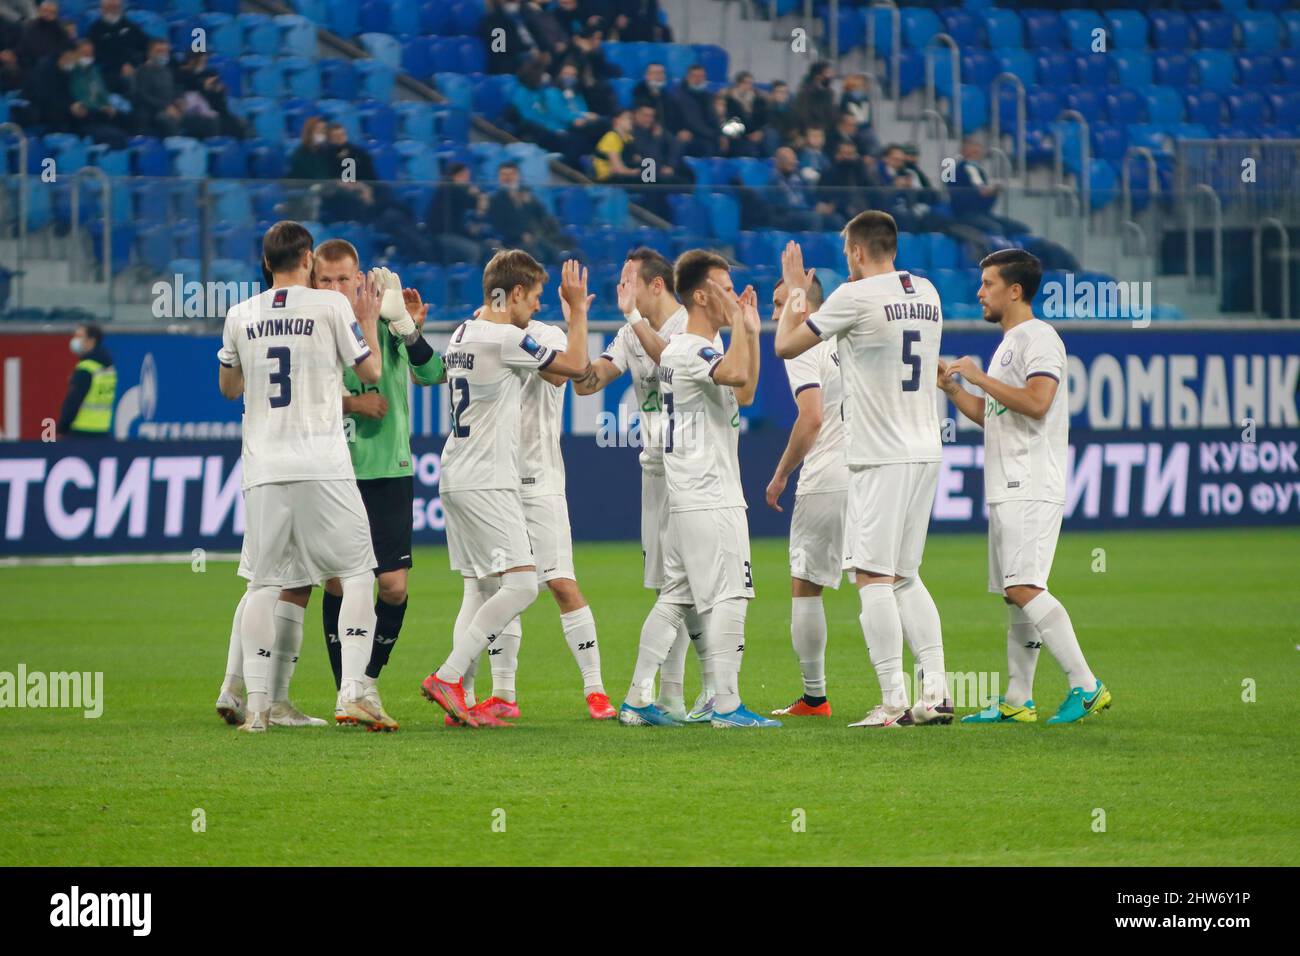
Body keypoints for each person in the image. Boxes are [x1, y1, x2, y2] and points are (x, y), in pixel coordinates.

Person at [775, 211, 953, 728]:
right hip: (926, 449)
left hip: (879, 453)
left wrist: (793, 292)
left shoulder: (853, 297)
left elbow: (786, 344)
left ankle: (894, 701)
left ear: (854, 251)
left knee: (872, 576)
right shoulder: (928, 291)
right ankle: (936, 692)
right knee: (905, 575)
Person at [216, 221, 387, 732]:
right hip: (322, 463)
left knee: (264, 584)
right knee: (356, 571)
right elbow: (370, 372)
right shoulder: (331, 306)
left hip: (265, 467)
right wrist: (370, 323)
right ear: (309, 259)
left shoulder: (239, 314)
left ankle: (258, 709)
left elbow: (228, 388)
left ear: (266, 263)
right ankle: (354, 691)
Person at [419, 253, 595, 728]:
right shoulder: (506, 337)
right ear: (514, 293)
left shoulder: (462, 333)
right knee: (521, 585)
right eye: (534, 298)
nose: (536, 308)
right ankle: (450, 677)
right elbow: (577, 367)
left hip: (454, 472)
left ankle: (462, 695)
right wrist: (577, 311)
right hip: (488, 479)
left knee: (478, 590)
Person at [940, 249, 1111, 725]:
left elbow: (1037, 402)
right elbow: (993, 416)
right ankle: (1018, 698)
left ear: (1014, 290)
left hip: (1032, 480)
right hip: (1008, 481)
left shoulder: (1040, 338)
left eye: (988, 283)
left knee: (1024, 585)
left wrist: (978, 376)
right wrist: (956, 391)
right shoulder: (1010, 342)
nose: (979, 292)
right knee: (1014, 590)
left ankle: (1086, 684)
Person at [619, 250, 773, 728]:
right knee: (732, 594)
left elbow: (744, 393)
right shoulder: (693, 348)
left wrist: (749, 330)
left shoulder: (692, 349)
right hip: (711, 493)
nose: (735, 294)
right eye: (727, 288)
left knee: (676, 596)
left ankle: (636, 699)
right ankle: (725, 705)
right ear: (702, 295)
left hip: (687, 494)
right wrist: (748, 328)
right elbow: (735, 375)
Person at [458, 275, 616, 724]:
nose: (538, 302)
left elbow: (567, 369)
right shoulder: (483, 332)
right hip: (498, 481)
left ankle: (596, 690)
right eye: (533, 295)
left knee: (561, 584)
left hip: (540, 479)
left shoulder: (546, 336)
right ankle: (502, 692)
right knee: (497, 589)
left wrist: (578, 317)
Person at [572, 249, 710, 721]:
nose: (621, 288)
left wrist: (631, 317)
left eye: (629, 279)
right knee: (670, 588)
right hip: (656, 473)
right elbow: (589, 383)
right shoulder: (629, 332)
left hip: (693, 470)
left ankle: (676, 692)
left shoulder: (692, 325)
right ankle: (671, 696)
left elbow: (668, 359)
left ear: (656, 285)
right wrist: (576, 322)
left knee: (688, 583)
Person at [316, 244, 445, 729]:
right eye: (325, 281)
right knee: (338, 582)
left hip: (388, 470)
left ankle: (367, 679)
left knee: (391, 587)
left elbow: (433, 374)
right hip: (336, 470)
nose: (335, 289)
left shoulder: (385, 320)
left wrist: (409, 330)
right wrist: (352, 403)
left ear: (359, 279)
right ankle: (345, 690)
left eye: (343, 280)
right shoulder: (315, 328)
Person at [764, 274, 847, 718]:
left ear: (803, 307)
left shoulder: (803, 346)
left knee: (806, 583)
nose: (775, 316)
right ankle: (924, 689)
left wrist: (780, 475)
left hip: (828, 477)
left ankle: (815, 697)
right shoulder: (850, 336)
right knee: (889, 581)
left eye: (781, 305)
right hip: (874, 471)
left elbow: (811, 418)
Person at [487, 161, 574, 264]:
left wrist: (529, 202)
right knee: (537, 255)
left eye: (512, 174)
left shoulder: (527, 195)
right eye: (504, 175)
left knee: (558, 250)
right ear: (499, 178)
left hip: (535, 237)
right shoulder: (496, 199)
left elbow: (542, 215)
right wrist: (520, 235)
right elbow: (498, 226)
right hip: (512, 241)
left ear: (518, 176)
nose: (508, 178)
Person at [56, 323, 115, 440]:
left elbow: (73, 402)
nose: (74, 340)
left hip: (81, 431)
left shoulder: (86, 368)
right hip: (103, 430)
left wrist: (62, 428)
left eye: (79, 336)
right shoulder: (109, 368)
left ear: (91, 341)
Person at [425, 162, 491, 264]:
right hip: (442, 235)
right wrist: (478, 194)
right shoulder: (450, 188)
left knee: (488, 248)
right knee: (473, 251)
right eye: (465, 176)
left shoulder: (454, 190)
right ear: (457, 176)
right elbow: (476, 203)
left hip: (454, 233)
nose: (468, 181)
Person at [86, 0, 147, 95]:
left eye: (115, 7)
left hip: (133, 67)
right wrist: (119, 67)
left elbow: (145, 46)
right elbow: (95, 55)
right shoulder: (95, 29)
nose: (112, 11)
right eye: (109, 8)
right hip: (108, 71)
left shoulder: (130, 26)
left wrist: (133, 64)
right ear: (102, 9)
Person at [669, 63, 722, 157]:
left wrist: (721, 135)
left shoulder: (709, 97)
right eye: (695, 76)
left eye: (701, 76)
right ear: (688, 77)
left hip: (708, 136)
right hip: (692, 137)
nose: (698, 79)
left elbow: (714, 120)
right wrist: (678, 131)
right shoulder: (677, 97)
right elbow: (671, 120)